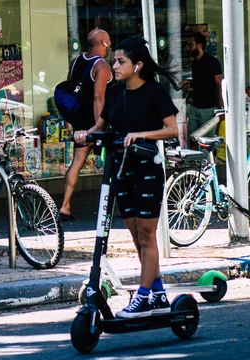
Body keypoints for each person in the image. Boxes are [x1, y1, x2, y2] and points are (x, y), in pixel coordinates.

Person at [74, 36, 180, 318]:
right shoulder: (115, 93)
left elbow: (172, 130)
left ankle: (143, 296)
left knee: (147, 235)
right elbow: (101, 124)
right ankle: (157, 292)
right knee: (135, 235)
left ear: (138, 65)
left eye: (121, 62)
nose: (115, 66)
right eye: (115, 60)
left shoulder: (154, 92)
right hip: (121, 168)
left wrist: (142, 135)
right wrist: (86, 133)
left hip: (147, 167)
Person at [59, 29, 113, 221]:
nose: (110, 45)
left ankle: (65, 206)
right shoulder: (102, 66)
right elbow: (98, 97)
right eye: (108, 42)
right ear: (102, 43)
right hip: (97, 121)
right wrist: (100, 126)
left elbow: (69, 88)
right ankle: (117, 205)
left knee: (76, 163)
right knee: (113, 163)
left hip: (80, 121)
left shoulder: (76, 61)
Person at [185, 32, 223, 141]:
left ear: (199, 46)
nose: (188, 48)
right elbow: (201, 81)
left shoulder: (213, 62)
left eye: (190, 45)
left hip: (209, 108)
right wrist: (189, 83)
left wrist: (220, 107)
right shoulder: (194, 63)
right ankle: (193, 158)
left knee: (207, 142)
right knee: (192, 139)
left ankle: (207, 159)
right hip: (195, 107)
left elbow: (219, 84)